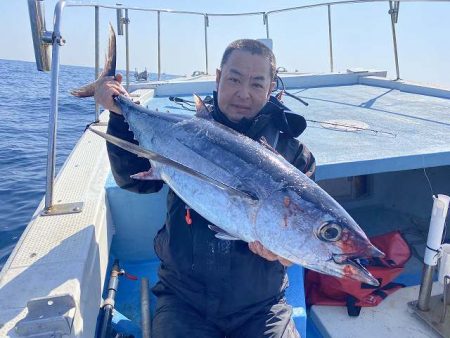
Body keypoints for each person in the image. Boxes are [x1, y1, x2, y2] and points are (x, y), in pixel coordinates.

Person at [95, 39, 316, 338]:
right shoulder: (182, 134)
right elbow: (132, 180)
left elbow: (302, 247)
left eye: (256, 83)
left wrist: (281, 254)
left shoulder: (293, 158)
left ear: (271, 87)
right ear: (218, 77)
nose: (243, 93)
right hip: (183, 301)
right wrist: (119, 115)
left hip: (260, 307)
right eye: (234, 79)